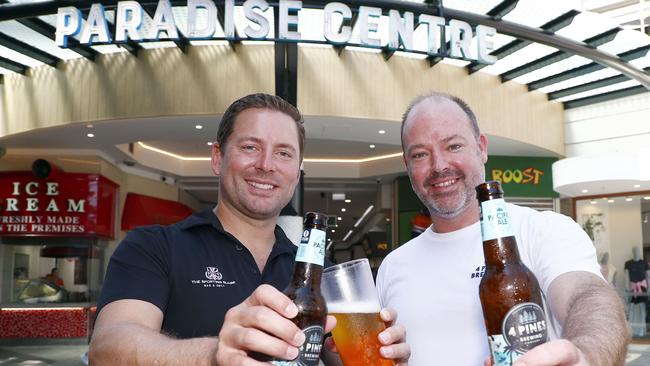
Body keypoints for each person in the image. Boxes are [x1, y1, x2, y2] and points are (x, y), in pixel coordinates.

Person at [89, 93, 410, 365]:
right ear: (218, 157)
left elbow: (327, 354)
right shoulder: (154, 246)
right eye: (250, 147)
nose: (266, 165)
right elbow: (107, 347)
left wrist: (363, 354)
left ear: (297, 174)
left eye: (283, 153)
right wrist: (213, 354)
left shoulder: (315, 271)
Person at [376, 92, 629, 366]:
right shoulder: (392, 265)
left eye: (454, 146)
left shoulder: (543, 230)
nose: (439, 166)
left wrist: (585, 356)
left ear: (481, 148)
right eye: (421, 154)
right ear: (407, 164)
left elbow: (588, 297)